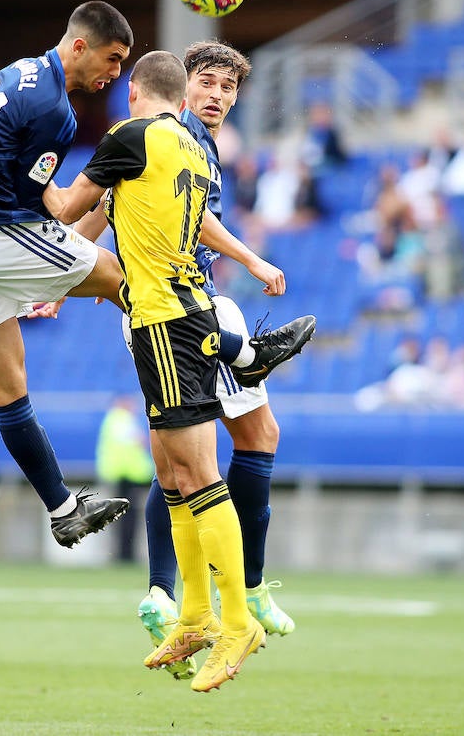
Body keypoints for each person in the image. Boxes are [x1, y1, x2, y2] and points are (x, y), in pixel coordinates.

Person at [0, 3, 310, 550]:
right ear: (78, 46)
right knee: (132, 279)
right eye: (112, 59)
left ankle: (63, 507)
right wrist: (67, 259)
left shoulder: (14, 74)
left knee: (10, 385)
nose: (115, 73)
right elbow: (60, 208)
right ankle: (241, 354)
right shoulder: (55, 112)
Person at [43, 50, 301, 693]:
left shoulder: (133, 136)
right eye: (204, 84)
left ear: (133, 89)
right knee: (175, 467)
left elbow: (74, 207)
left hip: (166, 316)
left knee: (200, 470)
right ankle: (193, 612)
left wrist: (29, 170)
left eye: (224, 86)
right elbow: (118, 205)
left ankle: (236, 614)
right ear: (182, 91)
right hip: (180, 310)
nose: (214, 95)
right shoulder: (186, 145)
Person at [95, 395, 155, 564]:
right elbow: (138, 441)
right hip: (127, 475)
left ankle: (124, 553)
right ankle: (126, 554)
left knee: (122, 517)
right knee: (128, 519)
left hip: (122, 475)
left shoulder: (114, 420)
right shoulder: (121, 420)